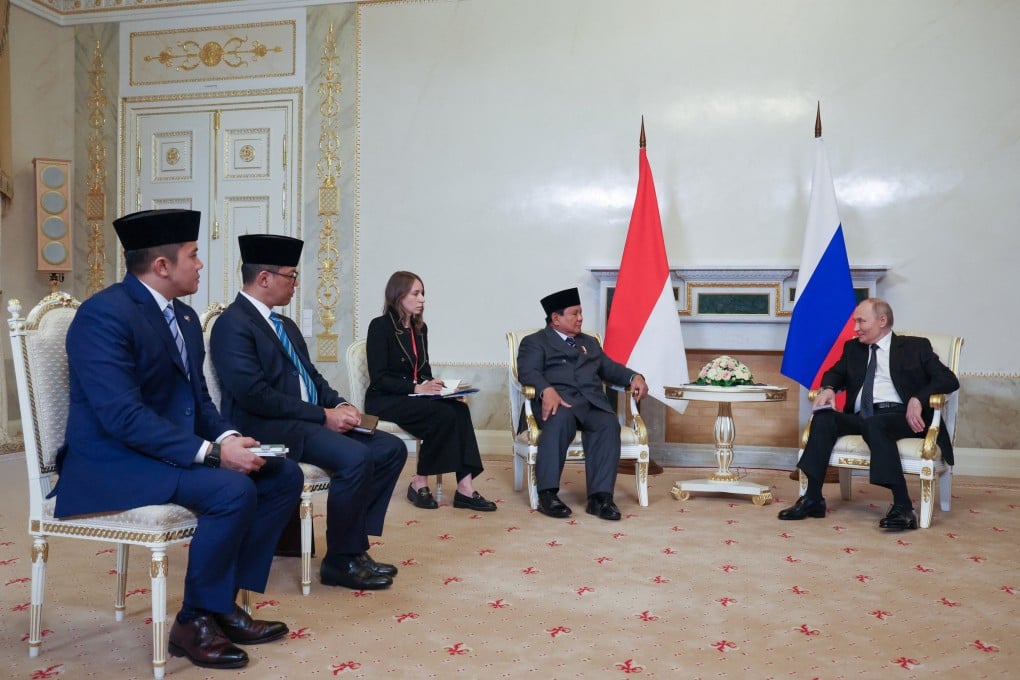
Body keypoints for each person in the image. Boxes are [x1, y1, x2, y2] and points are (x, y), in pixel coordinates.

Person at [56, 209, 303, 670]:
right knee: (231, 490)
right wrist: (212, 454)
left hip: (164, 452)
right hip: (113, 460)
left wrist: (230, 437)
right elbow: (123, 417)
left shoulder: (185, 317)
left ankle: (221, 603)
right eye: (193, 255)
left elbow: (200, 402)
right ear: (162, 266)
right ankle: (193, 623)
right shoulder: (103, 315)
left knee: (282, 474)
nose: (201, 264)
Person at [210, 234, 407, 591]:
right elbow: (254, 396)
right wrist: (322, 416)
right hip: (267, 428)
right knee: (355, 458)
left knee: (390, 448)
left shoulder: (284, 325)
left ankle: (354, 546)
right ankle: (340, 562)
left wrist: (340, 405)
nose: (296, 284)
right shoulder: (232, 324)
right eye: (291, 276)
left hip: (306, 420)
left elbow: (311, 377)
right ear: (264, 278)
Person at [778, 298, 960, 530]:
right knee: (824, 418)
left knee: (875, 423)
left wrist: (918, 398)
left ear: (882, 321)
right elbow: (835, 373)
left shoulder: (915, 347)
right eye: (855, 322)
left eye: (861, 321)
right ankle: (813, 498)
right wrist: (829, 388)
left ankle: (903, 506)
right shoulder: (853, 348)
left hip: (901, 416)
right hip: (862, 416)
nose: (855, 328)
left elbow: (948, 379)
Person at [365, 271, 496, 512]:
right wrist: (416, 387)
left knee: (459, 410)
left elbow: (423, 371)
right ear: (399, 295)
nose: (422, 299)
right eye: (416, 293)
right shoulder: (380, 326)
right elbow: (379, 377)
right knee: (442, 415)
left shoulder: (420, 328)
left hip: (413, 396)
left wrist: (439, 387)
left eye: (423, 293)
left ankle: (465, 488)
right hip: (385, 399)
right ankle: (419, 482)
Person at [516, 287, 649, 520]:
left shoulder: (590, 342)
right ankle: (547, 494)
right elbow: (528, 371)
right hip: (558, 403)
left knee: (608, 423)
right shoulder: (535, 342)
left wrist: (633, 377)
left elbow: (609, 368)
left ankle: (600, 498)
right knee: (558, 419)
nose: (580, 318)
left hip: (590, 403)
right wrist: (546, 389)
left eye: (581, 313)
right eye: (574, 313)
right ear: (555, 318)